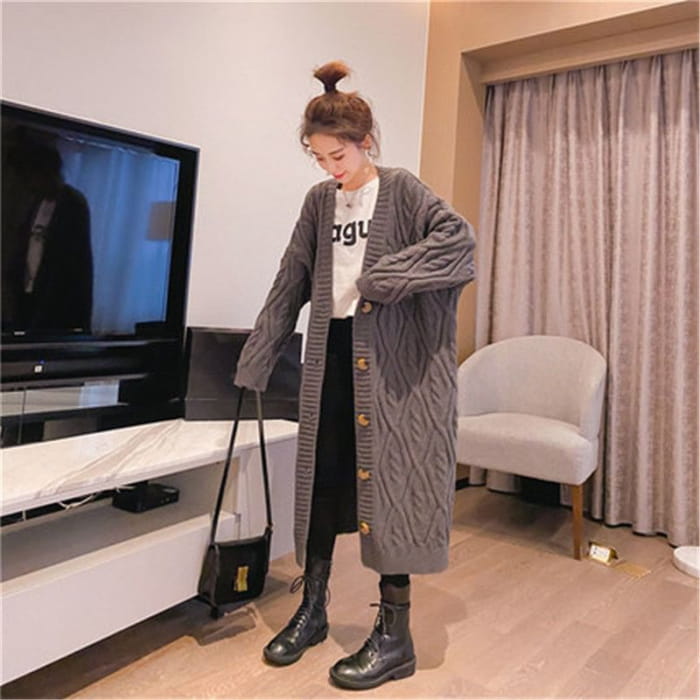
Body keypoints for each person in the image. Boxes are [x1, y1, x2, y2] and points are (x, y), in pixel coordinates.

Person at [234, 61, 475, 690]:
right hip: (330, 356)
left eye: (337, 155)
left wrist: (382, 279)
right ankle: (312, 608)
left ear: (364, 142)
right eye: (319, 158)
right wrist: (258, 357)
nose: (329, 168)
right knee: (322, 479)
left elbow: (459, 243)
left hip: (392, 365)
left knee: (391, 484)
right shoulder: (319, 203)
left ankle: (396, 636)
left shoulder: (403, 190)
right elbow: (291, 278)